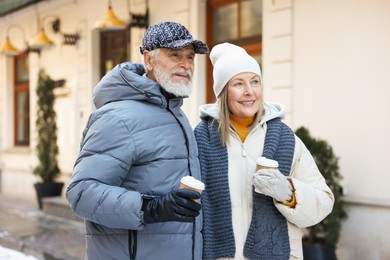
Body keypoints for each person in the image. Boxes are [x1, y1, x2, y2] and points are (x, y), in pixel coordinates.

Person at [66, 21, 209, 260]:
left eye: (190, 57)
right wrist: (149, 208)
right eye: (175, 55)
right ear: (148, 60)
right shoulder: (117, 118)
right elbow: (82, 193)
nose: (186, 65)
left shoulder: (175, 113)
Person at [194, 42, 335, 260]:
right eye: (238, 84)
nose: (249, 91)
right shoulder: (200, 140)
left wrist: (288, 193)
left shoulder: (286, 139)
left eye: (255, 82)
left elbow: (323, 203)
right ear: (223, 92)